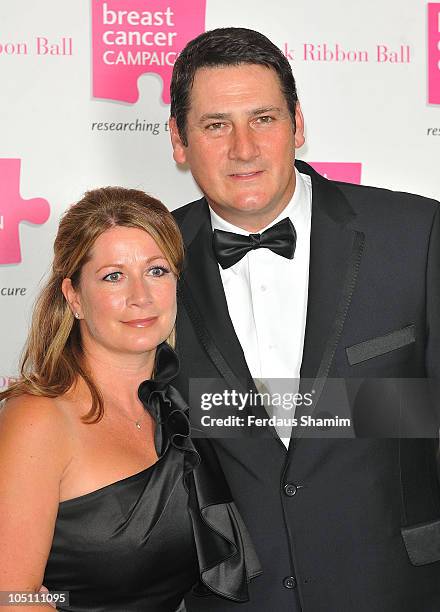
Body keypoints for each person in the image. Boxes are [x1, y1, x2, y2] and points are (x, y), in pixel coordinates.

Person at [167, 27, 440, 611]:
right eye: (216, 125)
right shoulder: (146, 260)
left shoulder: (415, 236)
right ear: (179, 141)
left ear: (298, 124)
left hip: (396, 591)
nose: (244, 148)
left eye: (263, 118)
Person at [0, 187, 261, 611]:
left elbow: (336, 412)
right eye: (113, 276)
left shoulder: (178, 408)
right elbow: (10, 597)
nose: (141, 296)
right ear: (74, 298)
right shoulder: (39, 419)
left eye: (156, 271)